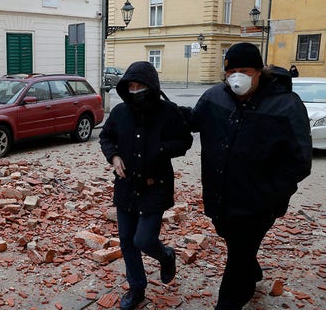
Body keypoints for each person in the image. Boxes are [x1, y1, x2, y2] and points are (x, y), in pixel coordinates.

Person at [182, 42, 312, 309]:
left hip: (259, 205)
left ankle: (232, 298)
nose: (237, 76)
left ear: (259, 71)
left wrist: (270, 193)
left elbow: (300, 161)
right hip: (220, 198)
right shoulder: (213, 97)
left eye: (244, 70)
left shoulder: (286, 105)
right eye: (232, 71)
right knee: (234, 243)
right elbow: (192, 121)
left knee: (238, 259)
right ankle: (251, 270)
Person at [99, 61, 193, 310]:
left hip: (156, 185)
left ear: (151, 86)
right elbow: (106, 136)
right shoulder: (120, 112)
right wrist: (114, 155)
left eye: (140, 85)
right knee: (127, 240)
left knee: (144, 239)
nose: (135, 89)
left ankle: (166, 255)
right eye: (131, 85)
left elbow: (185, 140)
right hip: (126, 185)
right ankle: (137, 288)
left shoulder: (168, 112)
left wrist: (161, 149)